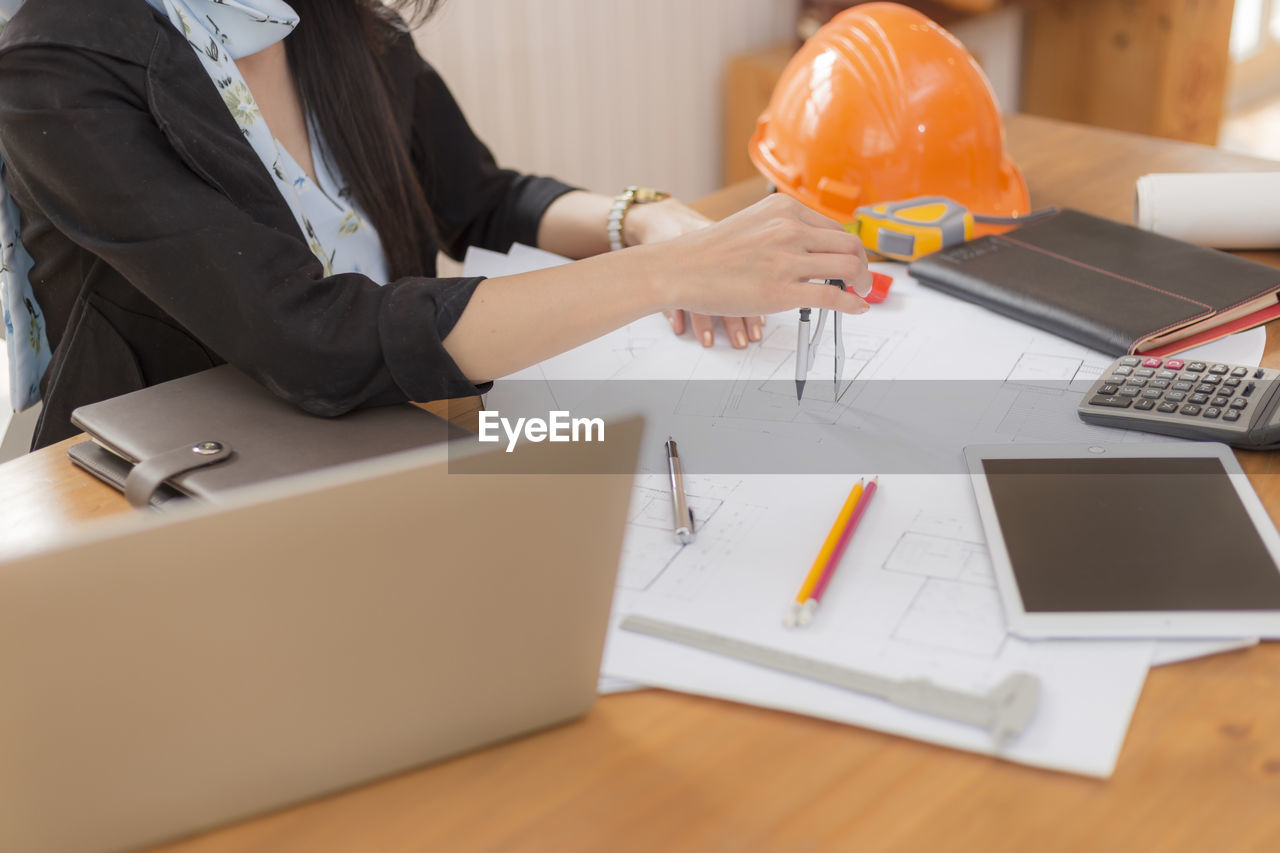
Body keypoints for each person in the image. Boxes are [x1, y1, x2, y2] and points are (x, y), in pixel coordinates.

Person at [0, 0, 871, 450]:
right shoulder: (53, 65)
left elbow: (480, 197)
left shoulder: (315, 18)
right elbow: (311, 338)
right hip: (183, 482)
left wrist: (642, 222)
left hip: (391, 428)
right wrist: (667, 277)